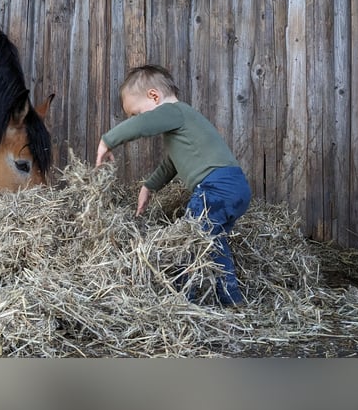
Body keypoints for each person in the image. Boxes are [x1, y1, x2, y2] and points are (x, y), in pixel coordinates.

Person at [95, 64, 251, 306]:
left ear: (154, 96)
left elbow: (140, 127)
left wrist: (107, 141)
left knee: (187, 243)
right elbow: (171, 164)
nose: (137, 119)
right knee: (213, 245)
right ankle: (232, 300)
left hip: (215, 188)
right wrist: (148, 187)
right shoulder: (184, 124)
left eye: (136, 113)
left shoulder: (173, 111)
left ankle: (180, 302)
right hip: (235, 188)